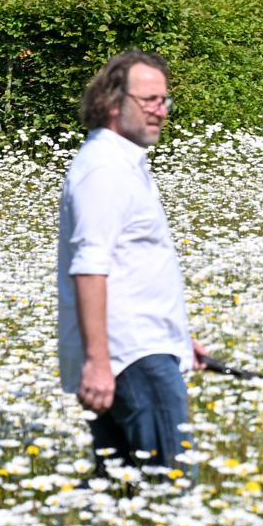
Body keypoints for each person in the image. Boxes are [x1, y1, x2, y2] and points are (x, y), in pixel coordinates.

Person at [58, 50, 206, 479]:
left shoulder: (124, 163)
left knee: (122, 492)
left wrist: (178, 337)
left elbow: (134, 267)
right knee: (170, 487)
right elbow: (90, 266)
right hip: (131, 357)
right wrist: (99, 363)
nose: (161, 111)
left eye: (165, 101)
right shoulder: (103, 170)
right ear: (111, 101)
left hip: (147, 346)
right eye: (150, 101)